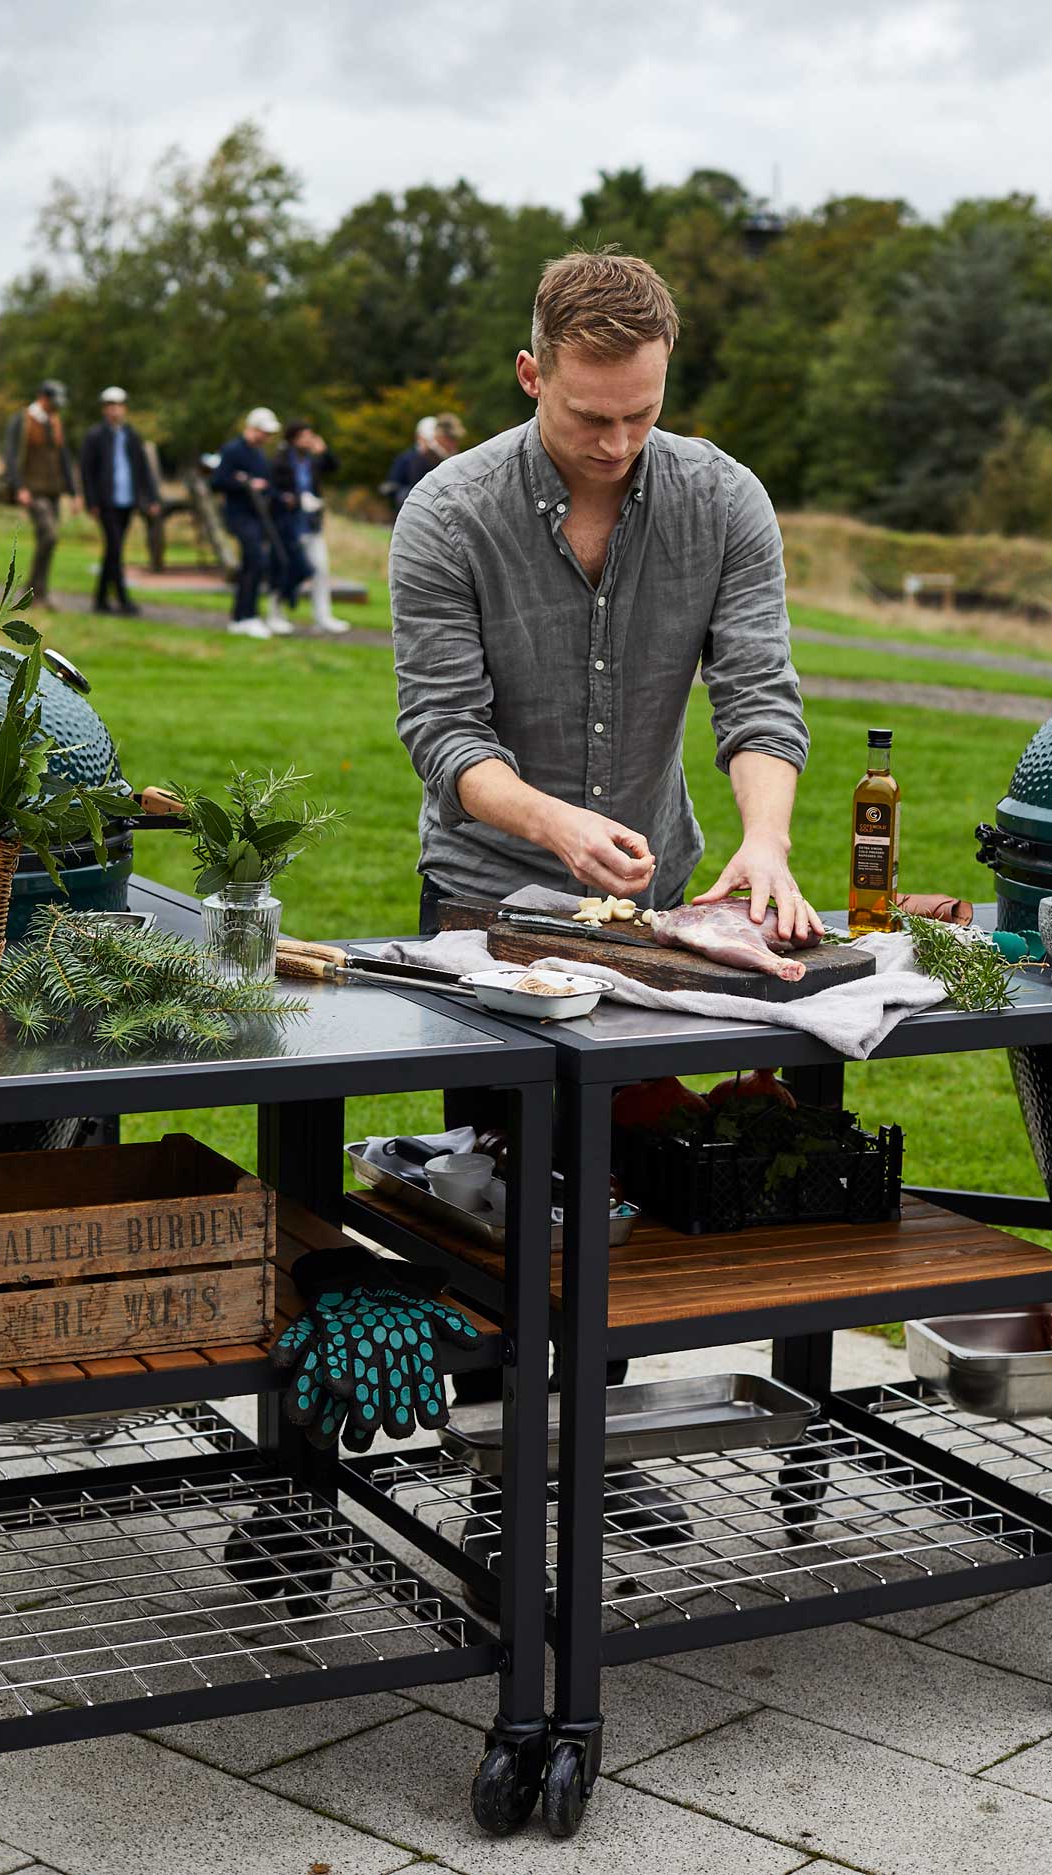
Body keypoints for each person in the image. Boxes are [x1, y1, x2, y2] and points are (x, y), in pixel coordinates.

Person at [391, 248, 817, 1463]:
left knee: (625, 1194)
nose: (620, 441)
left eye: (644, 413)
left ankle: (591, 1457)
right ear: (533, 374)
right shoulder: (448, 514)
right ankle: (492, 1464)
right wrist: (556, 822)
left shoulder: (725, 500)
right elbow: (441, 731)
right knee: (500, 1202)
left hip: (655, 908)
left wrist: (768, 843)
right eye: (590, 414)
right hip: (484, 907)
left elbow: (758, 698)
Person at [79, 387, 161, 617]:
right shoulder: (95, 436)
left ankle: (101, 600)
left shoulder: (131, 436)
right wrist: (91, 501)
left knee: (113, 551)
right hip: (106, 502)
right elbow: (87, 472)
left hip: (127, 501)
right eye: (110, 406)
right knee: (115, 549)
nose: (114, 410)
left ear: (124, 408)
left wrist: (152, 498)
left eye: (118, 405)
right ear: (105, 409)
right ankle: (124, 601)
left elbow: (144, 470)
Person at [3, 379, 80, 607]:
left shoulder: (55, 422)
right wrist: (19, 487)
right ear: (42, 398)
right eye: (54, 401)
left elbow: (64, 457)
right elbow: (10, 456)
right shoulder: (22, 420)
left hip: (53, 492)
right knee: (49, 535)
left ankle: (38, 593)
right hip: (33, 491)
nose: (57, 406)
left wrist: (75, 492)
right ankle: (35, 592)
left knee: (48, 540)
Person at [209, 407, 283, 639]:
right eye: (265, 432)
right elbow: (218, 481)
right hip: (239, 515)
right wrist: (246, 483)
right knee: (255, 561)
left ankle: (244, 616)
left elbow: (269, 484)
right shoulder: (233, 450)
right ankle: (244, 617)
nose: (268, 437)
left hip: (257, 515)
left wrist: (262, 487)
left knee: (254, 565)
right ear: (253, 428)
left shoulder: (259, 454)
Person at [270, 420, 348, 634]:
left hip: (311, 523)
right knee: (285, 569)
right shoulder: (281, 461)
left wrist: (324, 451)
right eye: (305, 436)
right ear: (293, 439)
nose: (309, 440)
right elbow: (273, 492)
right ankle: (276, 614)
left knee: (321, 569)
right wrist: (295, 499)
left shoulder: (312, 461)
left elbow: (335, 467)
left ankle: (323, 616)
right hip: (289, 526)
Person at [384, 417, 440, 518]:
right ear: (418, 437)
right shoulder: (406, 458)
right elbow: (393, 483)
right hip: (409, 502)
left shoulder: (438, 459)